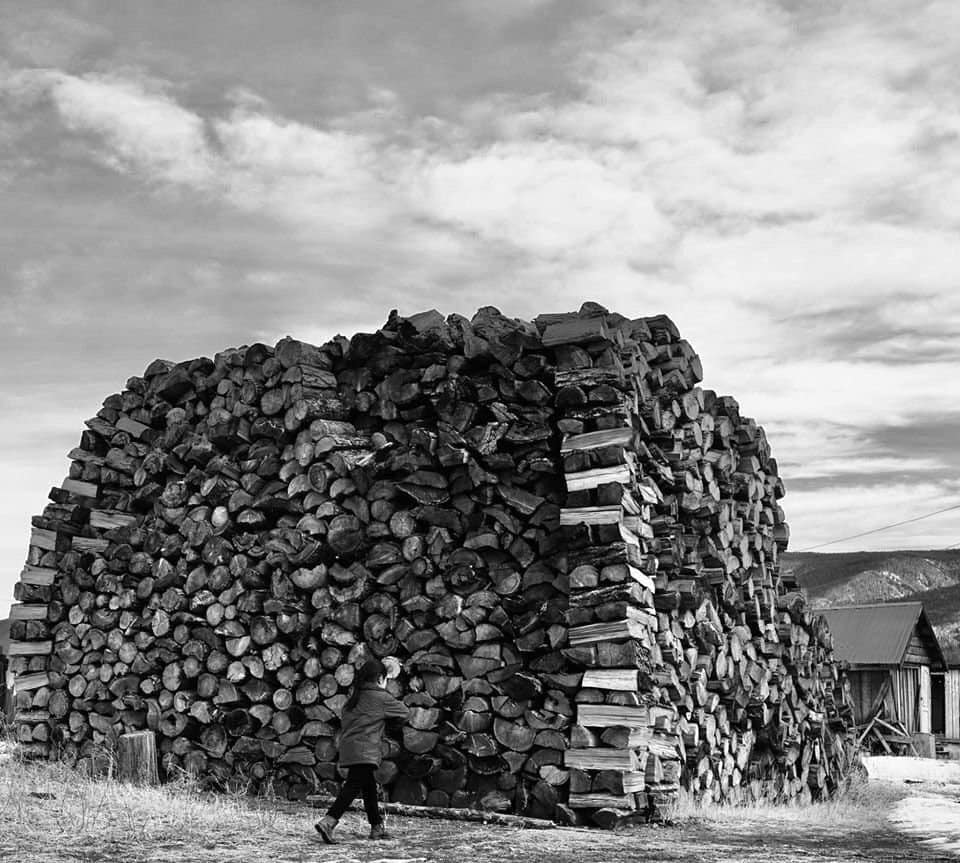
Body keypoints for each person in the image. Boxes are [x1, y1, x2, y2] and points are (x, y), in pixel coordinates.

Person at [315, 656, 407, 843]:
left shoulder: (353, 699)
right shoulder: (381, 698)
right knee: (353, 786)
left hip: (350, 748)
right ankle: (329, 821)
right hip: (366, 750)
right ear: (380, 678)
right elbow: (404, 712)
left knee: (368, 787)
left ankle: (376, 827)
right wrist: (389, 724)